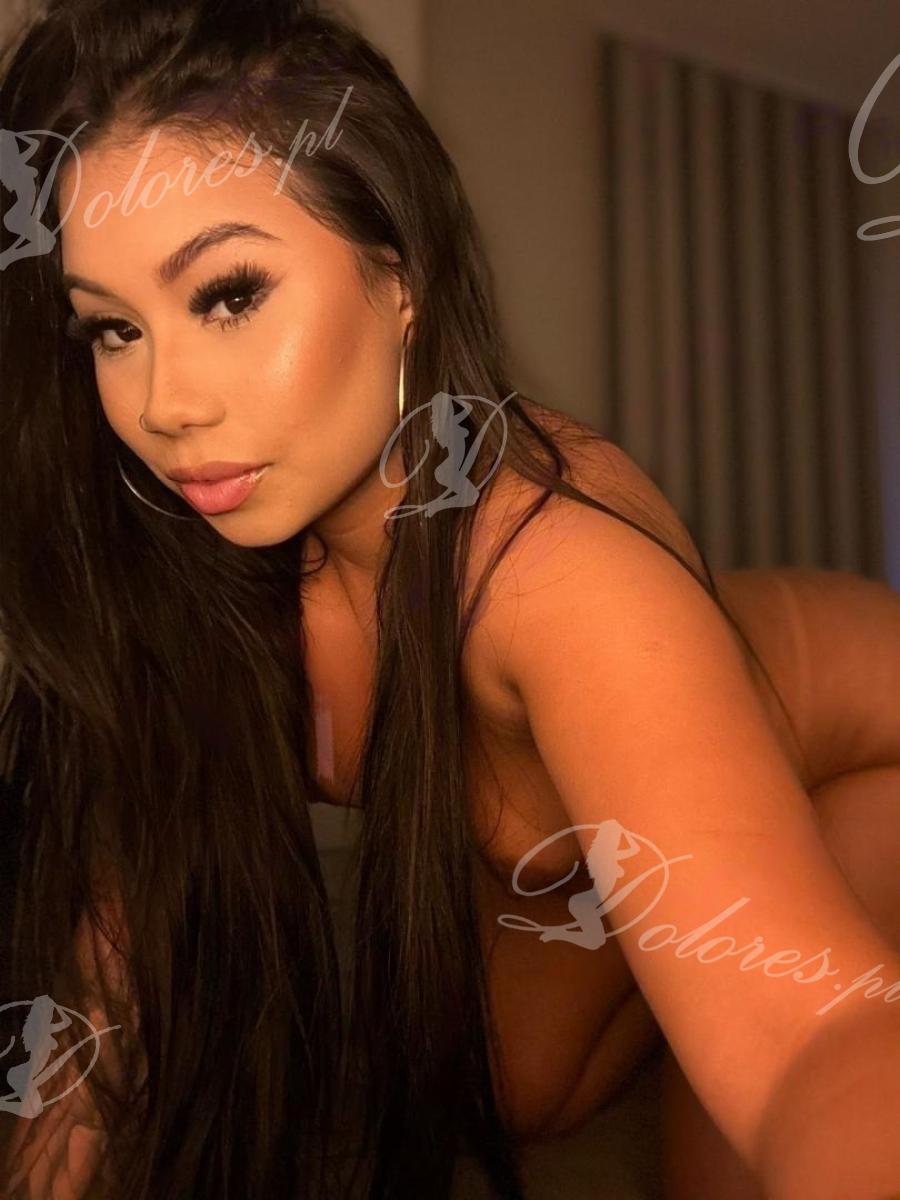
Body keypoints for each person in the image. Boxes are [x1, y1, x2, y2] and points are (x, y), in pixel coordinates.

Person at [0, 1, 899, 1197]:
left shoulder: (557, 573)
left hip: (874, 728)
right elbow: (104, 985)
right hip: (613, 780)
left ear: (401, 272)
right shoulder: (192, 568)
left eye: (228, 295)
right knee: (516, 1086)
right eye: (113, 329)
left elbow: (811, 1042)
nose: (166, 402)